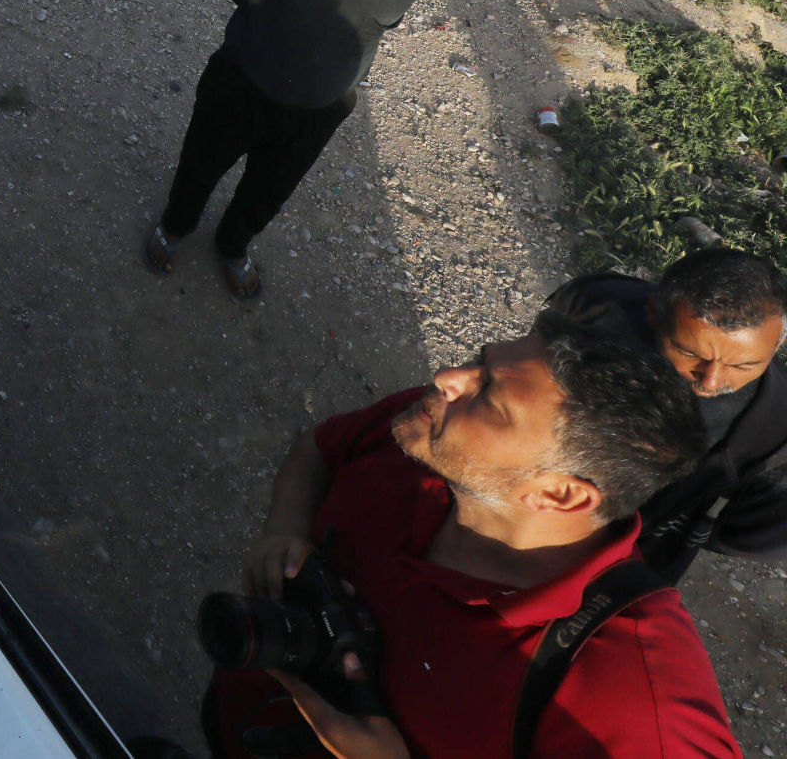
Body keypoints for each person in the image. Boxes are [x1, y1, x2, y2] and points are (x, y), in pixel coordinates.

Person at [209, 312, 738, 758]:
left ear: (560, 495)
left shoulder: (634, 698)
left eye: (487, 394)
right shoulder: (428, 436)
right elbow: (323, 448)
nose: (447, 377)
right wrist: (285, 527)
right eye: (480, 361)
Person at [143, 0, 460, 299]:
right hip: (240, 83)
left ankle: (233, 246)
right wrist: (272, 16)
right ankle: (175, 226)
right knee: (200, 166)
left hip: (320, 107)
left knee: (270, 190)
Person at [549, 245, 787, 579]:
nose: (712, 379)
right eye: (690, 353)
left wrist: (679, 527)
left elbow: (765, 535)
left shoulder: (775, 433)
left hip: (613, 572)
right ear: (654, 314)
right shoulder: (597, 304)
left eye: (744, 365)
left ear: (775, 346)